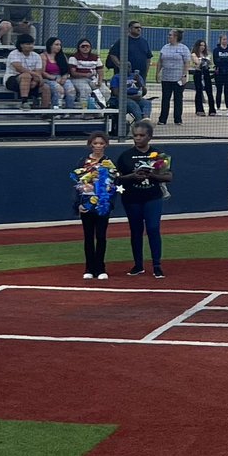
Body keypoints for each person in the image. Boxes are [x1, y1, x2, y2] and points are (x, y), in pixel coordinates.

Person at [115, 120, 172, 279]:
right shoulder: (125, 156)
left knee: (153, 228)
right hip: (132, 198)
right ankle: (138, 265)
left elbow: (168, 176)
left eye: (142, 135)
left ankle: (156, 265)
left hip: (152, 197)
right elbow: (117, 178)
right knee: (136, 231)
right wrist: (132, 176)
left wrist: (151, 175)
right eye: (135, 135)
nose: (138, 138)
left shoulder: (159, 155)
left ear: (149, 137)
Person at [73, 132, 117, 280]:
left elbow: (113, 184)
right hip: (86, 202)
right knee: (88, 237)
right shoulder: (82, 162)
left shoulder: (109, 162)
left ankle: (100, 268)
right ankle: (89, 268)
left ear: (106, 145)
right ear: (90, 144)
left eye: (101, 143)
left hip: (103, 203)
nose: (98, 146)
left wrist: (109, 203)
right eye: (95, 143)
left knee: (101, 236)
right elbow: (78, 184)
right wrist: (78, 204)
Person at [156, 29, 191, 126]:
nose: (169, 37)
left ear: (176, 37)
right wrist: (158, 73)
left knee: (178, 99)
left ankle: (178, 119)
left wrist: (184, 75)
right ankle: (162, 119)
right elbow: (160, 61)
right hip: (166, 77)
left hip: (178, 78)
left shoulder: (183, 48)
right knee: (165, 98)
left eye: (170, 35)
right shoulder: (165, 47)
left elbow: (187, 63)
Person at [3, 33, 46, 110]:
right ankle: (24, 102)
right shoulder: (14, 54)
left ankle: (45, 111)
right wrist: (36, 75)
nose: (31, 46)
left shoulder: (36, 56)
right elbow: (20, 69)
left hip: (31, 80)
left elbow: (38, 71)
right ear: (21, 45)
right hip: (12, 80)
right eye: (28, 44)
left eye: (32, 44)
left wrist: (36, 81)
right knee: (26, 75)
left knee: (46, 87)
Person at [68, 38, 104, 110]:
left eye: (87, 46)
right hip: (78, 79)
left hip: (92, 79)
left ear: (90, 47)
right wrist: (85, 75)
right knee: (86, 89)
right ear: (79, 47)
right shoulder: (74, 57)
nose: (85, 48)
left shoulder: (95, 57)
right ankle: (85, 111)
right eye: (83, 46)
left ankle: (99, 110)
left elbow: (100, 70)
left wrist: (100, 81)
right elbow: (73, 73)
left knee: (104, 91)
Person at [40, 37, 75, 110]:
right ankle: (56, 110)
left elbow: (66, 70)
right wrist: (55, 78)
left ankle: (69, 110)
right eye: (56, 44)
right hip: (48, 78)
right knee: (59, 89)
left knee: (70, 90)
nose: (59, 46)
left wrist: (64, 78)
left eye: (60, 45)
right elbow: (42, 72)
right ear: (50, 45)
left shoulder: (62, 56)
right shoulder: (43, 56)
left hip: (62, 77)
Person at [190, 39, 217, 117]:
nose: (202, 47)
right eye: (201, 45)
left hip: (206, 73)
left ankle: (212, 109)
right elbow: (197, 63)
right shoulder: (194, 54)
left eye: (204, 45)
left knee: (209, 91)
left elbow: (210, 63)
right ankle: (199, 109)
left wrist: (206, 61)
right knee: (199, 91)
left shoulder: (207, 54)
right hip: (198, 73)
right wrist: (202, 61)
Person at [213, 34, 228, 112]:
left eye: (226, 39)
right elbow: (216, 61)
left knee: (227, 91)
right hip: (219, 72)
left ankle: (227, 108)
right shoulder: (216, 50)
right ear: (220, 40)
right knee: (219, 91)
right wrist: (224, 60)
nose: (225, 41)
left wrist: (223, 60)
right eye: (223, 39)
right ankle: (218, 108)